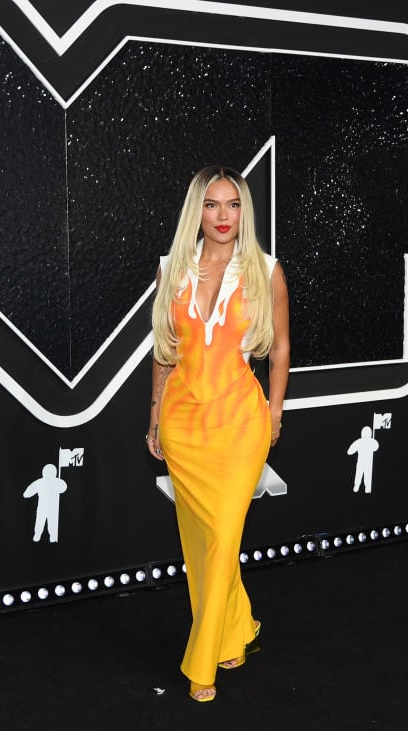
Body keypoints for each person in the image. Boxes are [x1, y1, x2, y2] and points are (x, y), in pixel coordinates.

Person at [146, 166, 290, 703]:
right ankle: (237, 629)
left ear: (244, 211)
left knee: (225, 536)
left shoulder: (266, 270)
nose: (224, 216)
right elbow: (164, 350)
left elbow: (278, 349)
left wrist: (275, 413)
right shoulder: (173, 269)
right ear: (197, 212)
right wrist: (155, 415)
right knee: (202, 544)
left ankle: (201, 662)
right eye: (212, 205)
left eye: (233, 205)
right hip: (184, 426)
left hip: (239, 425)